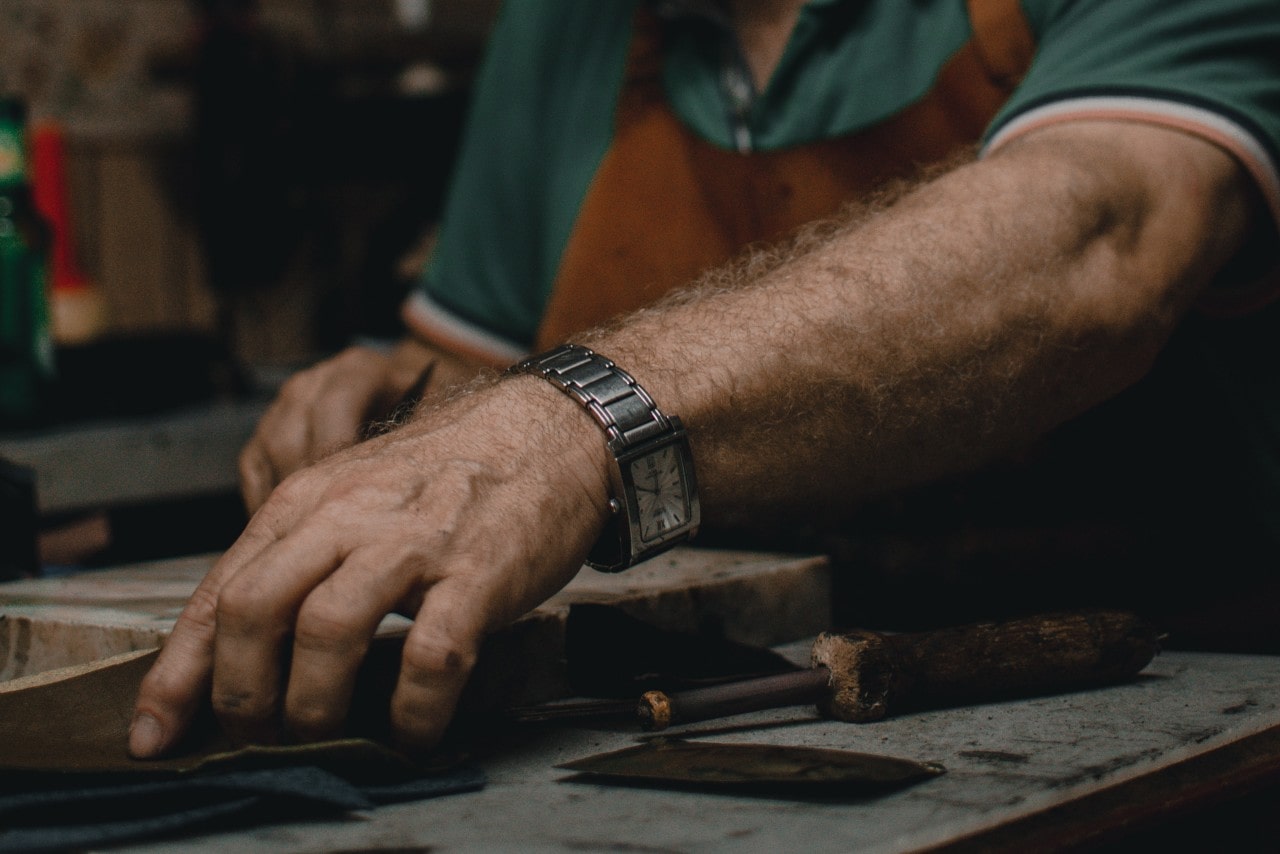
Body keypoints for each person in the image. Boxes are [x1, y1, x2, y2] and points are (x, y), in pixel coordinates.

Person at [129, 0, 1279, 757]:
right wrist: (399, 407)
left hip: (1142, 718)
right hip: (691, 724)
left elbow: (1105, 236)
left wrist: (574, 426)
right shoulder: (571, 24)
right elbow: (489, 376)